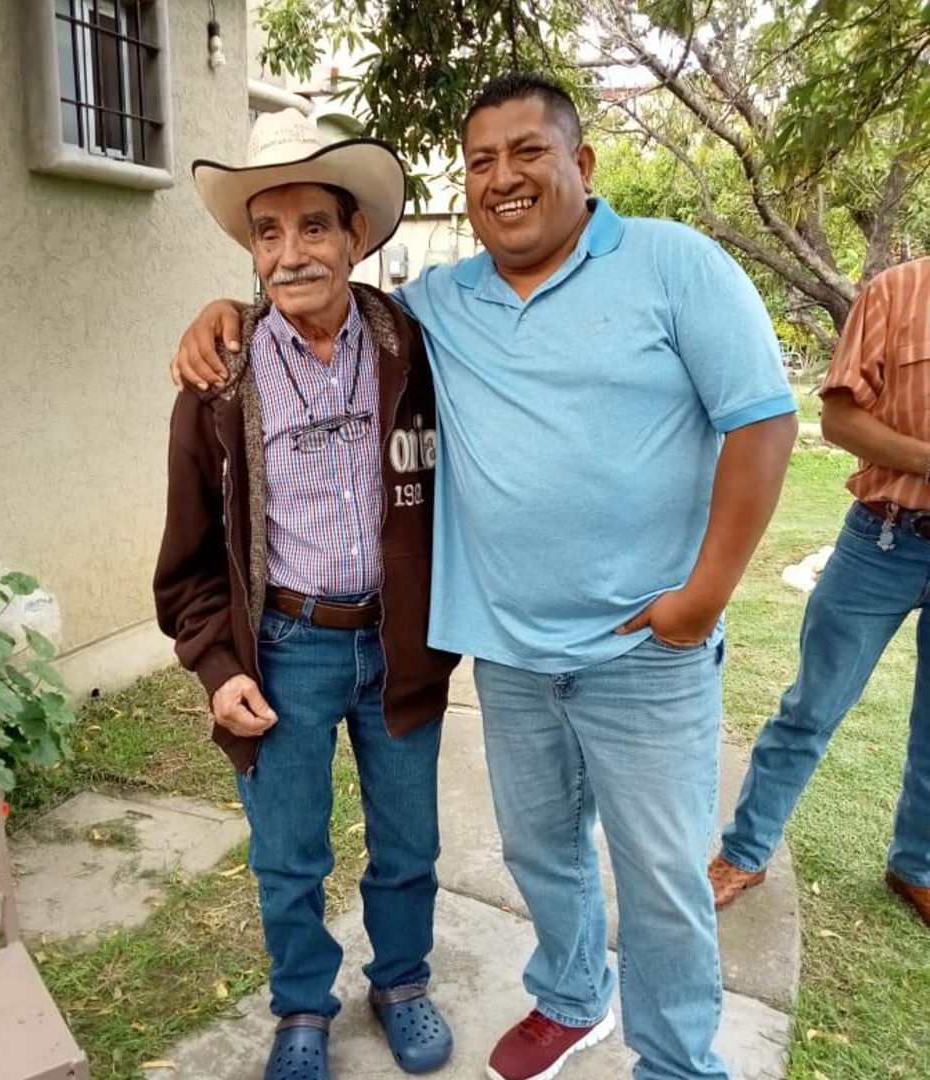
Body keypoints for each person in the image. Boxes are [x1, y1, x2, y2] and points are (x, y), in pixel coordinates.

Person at [173, 74, 798, 1080]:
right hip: (476, 652)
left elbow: (763, 422)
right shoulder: (414, 316)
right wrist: (222, 315)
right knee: (520, 852)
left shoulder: (651, 268)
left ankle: (668, 1060)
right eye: (481, 161)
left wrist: (702, 599)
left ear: (581, 163)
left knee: (651, 874)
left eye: (528, 152)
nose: (503, 177)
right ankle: (551, 998)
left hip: (620, 648)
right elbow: (202, 528)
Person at [154, 108, 458, 1080]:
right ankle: (301, 1009)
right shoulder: (219, 380)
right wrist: (216, 666)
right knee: (288, 855)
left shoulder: (417, 349)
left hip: (400, 643)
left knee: (408, 841)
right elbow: (190, 557)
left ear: (355, 236)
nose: (291, 254)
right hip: (286, 648)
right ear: (252, 251)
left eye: (313, 227)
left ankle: (401, 982)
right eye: (267, 233)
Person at [709, 258, 930, 926]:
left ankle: (915, 866)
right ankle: (745, 852)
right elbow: (839, 420)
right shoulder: (897, 292)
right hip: (885, 539)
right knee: (812, 706)